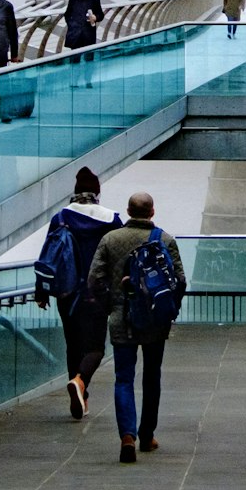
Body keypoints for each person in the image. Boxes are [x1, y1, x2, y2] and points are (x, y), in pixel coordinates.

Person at [87, 191, 186, 463]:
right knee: (152, 377)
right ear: (152, 212)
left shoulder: (110, 239)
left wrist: (112, 304)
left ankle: (127, 436)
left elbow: (94, 279)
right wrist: (168, 309)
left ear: (128, 211)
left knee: (123, 378)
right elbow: (179, 280)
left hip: (122, 319)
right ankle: (147, 434)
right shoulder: (165, 240)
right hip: (155, 320)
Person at [35, 167, 122, 420]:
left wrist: (41, 291)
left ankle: (80, 396)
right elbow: (118, 258)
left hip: (67, 294)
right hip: (97, 294)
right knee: (95, 347)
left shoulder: (61, 218)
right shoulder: (111, 220)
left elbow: (48, 256)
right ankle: (81, 382)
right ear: (97, 193)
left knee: (73, 345)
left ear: (75, 193)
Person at [63, 0, 104, 87]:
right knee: (74, 60)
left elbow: (101, 15)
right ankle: (74, 82)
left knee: (89, 60)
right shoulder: (72, 0)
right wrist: (71, 25)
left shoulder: (95, 1)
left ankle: (88, 81)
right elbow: (67, 15)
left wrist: (95, 17)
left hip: (88, 35)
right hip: (75, 35)